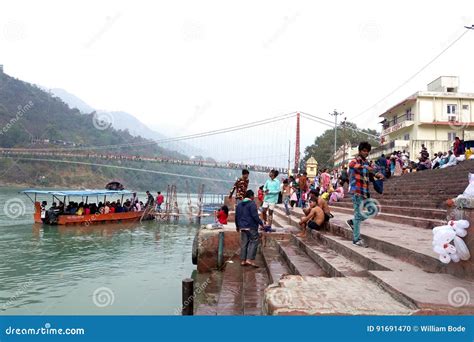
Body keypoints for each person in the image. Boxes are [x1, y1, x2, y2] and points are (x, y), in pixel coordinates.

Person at [346, 142, 384, 247]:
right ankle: (356, 240)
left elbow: (373, 172)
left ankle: (353, 222)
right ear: (360, 151)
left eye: (367, 151)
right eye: (364, 151)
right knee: (358, 215)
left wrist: (377, 174)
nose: (366, 153)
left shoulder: (367, 162)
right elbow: (351, 165)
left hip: (365, 192)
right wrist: (365, 167)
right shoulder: (356, 160)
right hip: (357, 192)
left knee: (374, 210)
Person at [235, 190, 264, 267]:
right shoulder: (252, 204)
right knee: (254, 241)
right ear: (251, 196)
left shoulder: (239, 204)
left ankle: (243, 261)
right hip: (251, 226)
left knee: (244, 243)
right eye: (253, 196)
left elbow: (236, 216)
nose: (254, 197)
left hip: (242, 227)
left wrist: (237, 226)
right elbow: (255, 216)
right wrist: (261, 223)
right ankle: (249, 259)